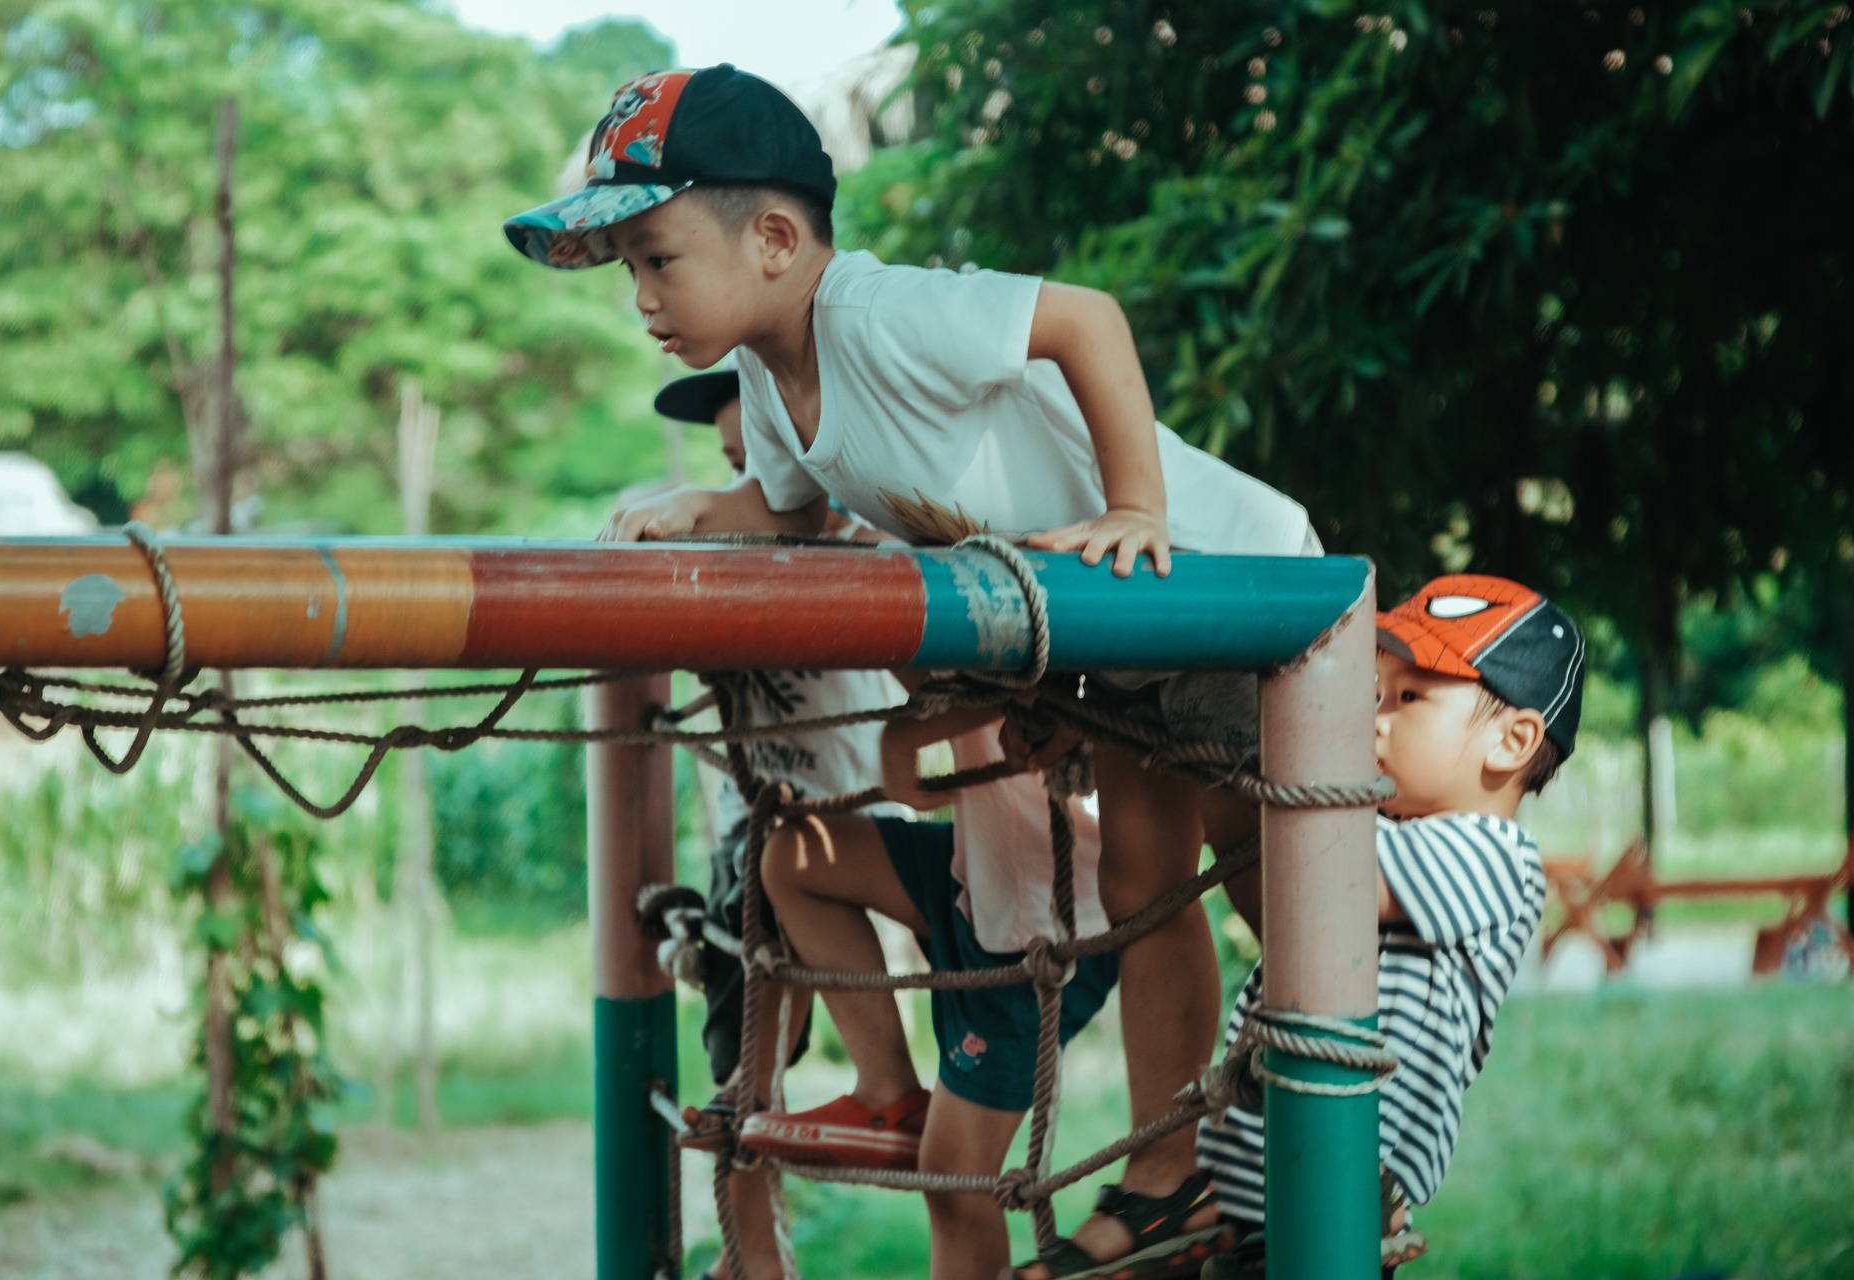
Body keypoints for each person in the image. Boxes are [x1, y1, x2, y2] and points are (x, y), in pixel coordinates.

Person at [504, 64, 1317, 1277]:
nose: (641, 296)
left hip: (1213, 574)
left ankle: (1334, 1152)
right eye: (627, 269)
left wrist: (1135, 504)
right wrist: (703, 510)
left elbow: (1086, 317)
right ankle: (1172, 1177)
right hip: (1119, 627)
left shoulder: (880, 317)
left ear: (775, 238)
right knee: (1150, 873)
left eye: (657, 257)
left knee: (1279, 892)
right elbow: (787, 513)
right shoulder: (776, 385)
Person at [1198, 574, 1581, 1273]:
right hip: (1259, 1194)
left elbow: (1334, 875)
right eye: (1372, 695)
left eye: (1409, 698)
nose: (1374, 718)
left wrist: (1263, 750)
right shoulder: (1383, 831)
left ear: (1512, 740)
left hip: (1341, 1196)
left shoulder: (1495, 857)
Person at [643, 369, 907, 1280]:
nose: (752, 491)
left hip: (854, 831)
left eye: (775, 469)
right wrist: (684, 519)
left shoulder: (874, 554)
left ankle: (878, 1106)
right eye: (733, 468)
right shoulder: (718, 563)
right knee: (742, 1082)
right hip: (747, 845)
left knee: (757, 1071)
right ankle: (753, 1257)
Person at [744, 699, 1120, 1280]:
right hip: (979, 864)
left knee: (953, 1178)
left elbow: (1047, 669)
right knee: (795, 857)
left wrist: (903, 738)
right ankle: (886, 1091)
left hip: (1044, 916)